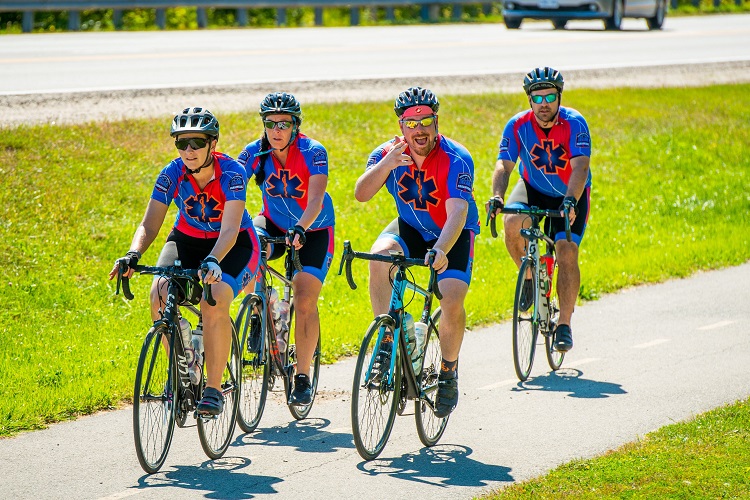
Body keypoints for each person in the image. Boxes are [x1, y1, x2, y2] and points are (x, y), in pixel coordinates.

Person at [109, 106, 260, 416]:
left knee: (214, 300)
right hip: (187, 238)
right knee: (158, 292)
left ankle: (213, 389)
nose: (188, 150)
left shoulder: (232, 172)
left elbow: (230, 229)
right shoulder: (171, 173)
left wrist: (214, 260)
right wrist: (132, 254)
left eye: (197, 143)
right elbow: (149, 225)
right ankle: (180, 372)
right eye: (181, 143)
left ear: (212, 144)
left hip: (234, 244)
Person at [354, 86, 480, 418]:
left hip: (452, 232)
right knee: (380, 257)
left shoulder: (456, 158)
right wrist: (387, 164)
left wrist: (440, 249)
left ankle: (448, 372)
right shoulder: (387, 153)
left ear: (436, 121)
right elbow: (361, 194)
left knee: (451, 298)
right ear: (401, 126)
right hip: (410, 226)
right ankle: (385, 341)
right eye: (411, 123)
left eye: (425, 121)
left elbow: (457, 213)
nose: (419, 130)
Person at [237, 92, 335, 406]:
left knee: (304, 297)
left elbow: (317, 198)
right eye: (270, 123)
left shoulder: (313, 151)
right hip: (274, 223)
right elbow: (231, 188)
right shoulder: (254, 152)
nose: (277, 129)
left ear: (295, 125)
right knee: (251, 248)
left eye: (284, 123)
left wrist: (302, 228)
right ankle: (258, 310)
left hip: (313, 229)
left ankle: (303, 375)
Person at [487, 66, 592, 353]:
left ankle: (565, 325)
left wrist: (570, 201)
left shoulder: (575, 123)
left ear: (559, 97)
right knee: (512, 222)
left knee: (566, 249)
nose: (544, 103)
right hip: (533, 188)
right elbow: (503, 165)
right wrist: (497, 197)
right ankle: (531, 279)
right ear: (529, 99)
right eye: (537, 97)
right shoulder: (517, 125)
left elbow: (581, 166)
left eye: (549, 96)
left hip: (570, 193)